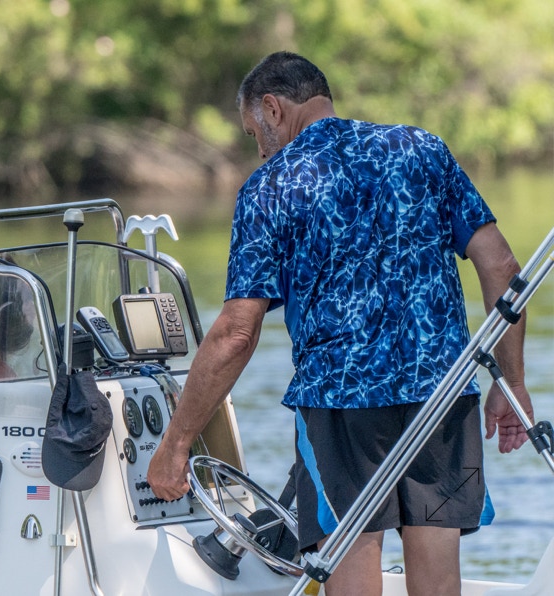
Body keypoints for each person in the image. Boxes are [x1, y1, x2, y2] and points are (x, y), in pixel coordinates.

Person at [147, 51, 532, 596]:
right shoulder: (423, 150)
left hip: (340, 402)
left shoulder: (271, 186)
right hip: (442, 393)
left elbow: (236, 332)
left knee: (350, 565)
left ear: (273, 109)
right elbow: (502, 268)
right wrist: (511, 382)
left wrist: (176, 443)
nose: (259, 149)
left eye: (253, 133)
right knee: (438, 576)